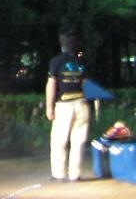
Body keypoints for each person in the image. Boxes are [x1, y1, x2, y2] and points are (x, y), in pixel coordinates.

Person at [45, 31, 89, 182]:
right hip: (82, 104)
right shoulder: (82, 62)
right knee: (78, 142)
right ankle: (75, 175)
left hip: (64, 105)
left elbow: (51, 84)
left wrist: (49, 107)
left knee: (59, 140)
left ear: (62, 44)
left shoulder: (56, 61)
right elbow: (86, 84)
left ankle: (58, 173)